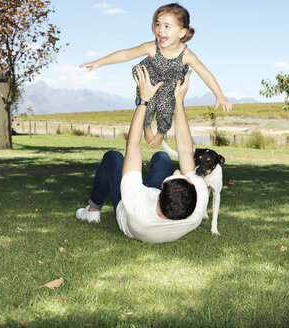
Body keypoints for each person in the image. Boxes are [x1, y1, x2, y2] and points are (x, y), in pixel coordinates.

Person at [75, 65, 209, 243]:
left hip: (131, 213)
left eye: (175, 177)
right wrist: (179, 100)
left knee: (113, 157)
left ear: (160, 192)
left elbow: (133, 148)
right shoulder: (198, 206)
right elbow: (184, 149)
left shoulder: (135, 205)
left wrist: (144, 100)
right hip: (157, 203)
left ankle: (92, 211)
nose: (177, 172)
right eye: (182, 176)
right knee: (162, 157)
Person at [80, 3, 232, 148]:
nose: (160, 30)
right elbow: (126, 54)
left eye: (167, 26)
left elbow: (205, 73)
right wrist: (100, 62)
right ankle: (146, 127)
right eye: (157, 24)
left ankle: (161, 133)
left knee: (166, 108)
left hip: (169, 86)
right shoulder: (152, 47)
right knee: (146, 105)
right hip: (150, 82)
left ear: (182, 32)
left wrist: (219, 95)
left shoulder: (187, 55)